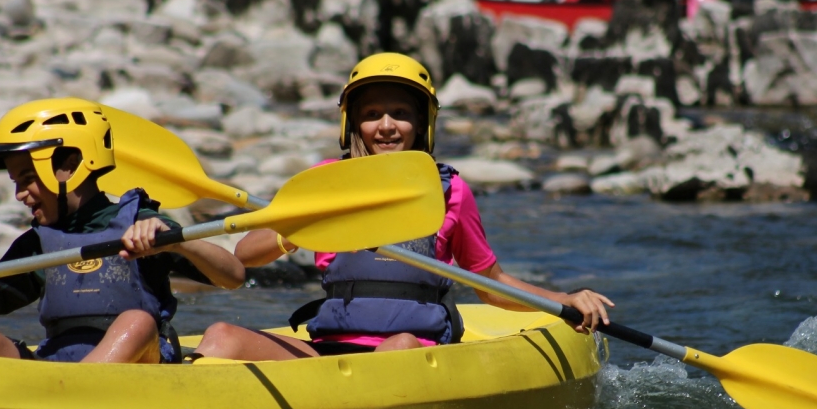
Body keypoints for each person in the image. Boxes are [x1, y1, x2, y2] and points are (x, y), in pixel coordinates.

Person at [193, 53, 614, 361]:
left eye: (400, 113)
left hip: (411, 350)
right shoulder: (326, 182)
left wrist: (562, 299)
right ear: (352, 123)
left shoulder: (449, 191)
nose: (387, 125)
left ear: (423, 123)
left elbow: (492, 285)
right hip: (328, 351)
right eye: (373, 113)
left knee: (397, 349)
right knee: (220, 337)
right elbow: (246, 256)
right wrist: (304, 224)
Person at [0, 98, 245, 363]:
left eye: (28, 178)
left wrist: (178, 245)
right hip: (56, 367)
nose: (19, 194)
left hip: (140, 369)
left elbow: (232, 275)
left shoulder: (142, 224)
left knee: (137, 322)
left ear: (70, 166)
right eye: (16, 182)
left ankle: (77, 395)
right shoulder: (37, 245)